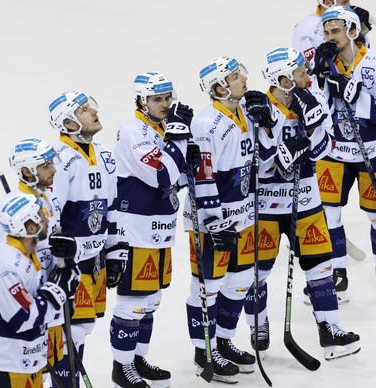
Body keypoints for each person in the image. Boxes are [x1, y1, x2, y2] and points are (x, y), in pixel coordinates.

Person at [241, 46, 361, 361]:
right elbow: (254, 161)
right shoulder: (254, 107)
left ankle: (330, 329)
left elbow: (325, 147)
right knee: (257, 272)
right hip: (265, 206)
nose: (307, 76)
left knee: (321, 268)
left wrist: (308, 134)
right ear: (283, 79)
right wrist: (281, 152)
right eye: (300, 73)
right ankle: (258, 324)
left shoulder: (313, 100)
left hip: (306, 200)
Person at [184, 56, 278, 383]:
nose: (244, 79)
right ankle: (203, 353)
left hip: (245, 216)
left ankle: (222, 340)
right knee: (205, 288)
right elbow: (202, 178)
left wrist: (267, 125)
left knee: (239, 282)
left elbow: (264, 163)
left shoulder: (245, 114)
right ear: (220, 87)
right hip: (214, 222)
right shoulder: (206, 125)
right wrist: (213, 223)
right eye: (237, 76)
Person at [108, 71, 200, 388]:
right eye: (156, 99)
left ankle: (136, 358)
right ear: (141, 101)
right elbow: (160, 175)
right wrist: (177, 139)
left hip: (161, 228)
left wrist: (187, 160)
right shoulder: (133, 130)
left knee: (151, 301)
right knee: (133, 302)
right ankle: (122, 367)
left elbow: (179, 179)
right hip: (136, 229)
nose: (164, 104)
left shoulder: (161, 129)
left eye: (167, 98)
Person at [312, 6, 376, 301]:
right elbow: (316, 112)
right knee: (329, 215)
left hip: (375, 152)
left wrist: (353, 91)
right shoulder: (321, 63)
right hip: (334, 152)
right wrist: (321, 81)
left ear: (352, 31)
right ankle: (338, 272)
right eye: (326, 32)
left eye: (335, 30)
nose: (330, 37)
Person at [47, 91, 125, 387]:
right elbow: (53, 217)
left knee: (83, 328)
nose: (93, 111)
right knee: (69, 334)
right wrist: (60, 264)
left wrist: (116, 251)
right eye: (83, 110)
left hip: (95, 261)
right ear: (68, 122)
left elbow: (113, 208)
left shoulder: (104, 155)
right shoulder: (59, 160)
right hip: (70, 267)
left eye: (90, 106)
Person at [0, 193, 80, 387]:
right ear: (31, 227)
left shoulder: (32, 252)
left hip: (27, 355)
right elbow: (23, 317)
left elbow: (68, 283)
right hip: (6, 360)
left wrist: (68, 263)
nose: (47, 219)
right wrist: (56, 291)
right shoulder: (7, 264)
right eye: (41, 216)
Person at [0, 137, 69, 384]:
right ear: (27, 171)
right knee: (37, 371)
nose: (54, 169)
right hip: (35, 303)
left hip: (52, 296)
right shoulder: (13, 205)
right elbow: (7, 259)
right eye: (46, 165)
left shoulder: (48, 197)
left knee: (54, 363)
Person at [292, 1, 372, 74]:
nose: (351, 6)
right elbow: (305, 73)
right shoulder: (304, 29)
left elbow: (364, 59)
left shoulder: (350, 21)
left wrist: (360, 34)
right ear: (328, 2)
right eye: (345, 3)